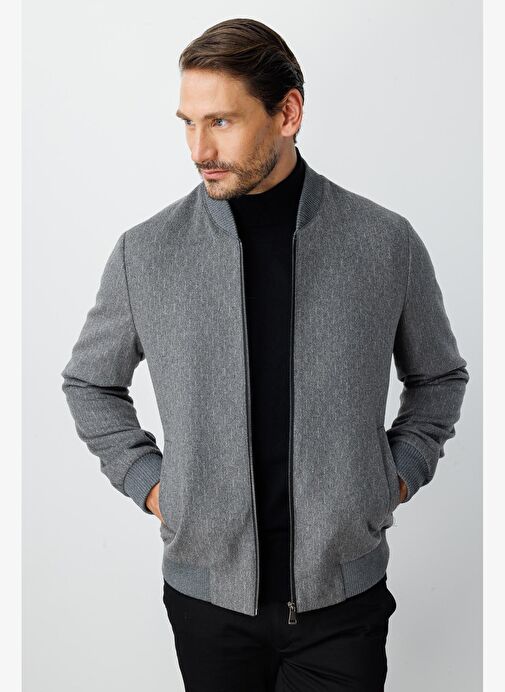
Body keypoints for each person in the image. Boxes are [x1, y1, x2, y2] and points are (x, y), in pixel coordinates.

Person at [60, 17, 470, 692]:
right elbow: (89, 383)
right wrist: (156, 487)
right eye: (188, 123)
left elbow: (439, 377)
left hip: (344, 603)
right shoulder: (147, 253)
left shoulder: (383, 242)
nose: (199, 149)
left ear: (287, 113)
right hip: (208, 606)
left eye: (220, 121)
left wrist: (392, 477)